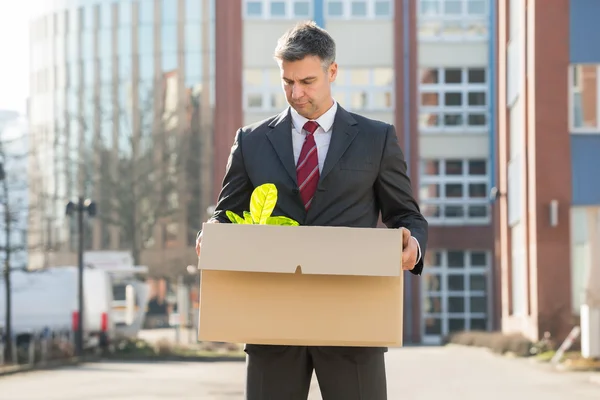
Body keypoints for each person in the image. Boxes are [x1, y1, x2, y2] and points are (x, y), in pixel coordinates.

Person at [196, 20, 428, 400]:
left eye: (307, 81)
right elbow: (225, 215)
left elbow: (408, 216)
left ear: (332, 71)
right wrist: (212, 234)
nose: (296, 93)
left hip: (353, 323)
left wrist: (412, 245)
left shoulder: (376, 138)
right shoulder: (251, 142)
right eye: (287, 82)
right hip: (272, 325)